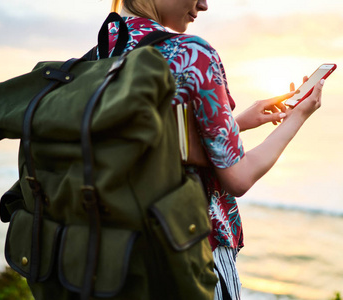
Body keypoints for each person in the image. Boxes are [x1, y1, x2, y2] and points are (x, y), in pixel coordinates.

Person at [108, 0, 324, 299]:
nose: (204, 5)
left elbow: (156, 148)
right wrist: (298, 116)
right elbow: (238, 179)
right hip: (189, 250)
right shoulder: (191, 53)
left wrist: (234, 126)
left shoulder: (103, 50)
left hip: (118, 253)